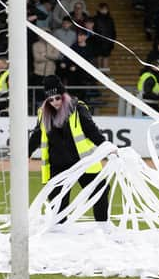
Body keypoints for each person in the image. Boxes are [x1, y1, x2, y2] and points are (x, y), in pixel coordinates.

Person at [28, 75, 109, 222]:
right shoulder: (43, 113)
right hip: (58, 166)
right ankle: (60, 235)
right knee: (58, 205)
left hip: (83, 163)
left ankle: (103, 228)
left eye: (57, 98)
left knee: (100, 191)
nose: (54, 102)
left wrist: (106, 147)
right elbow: (37, 135)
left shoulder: (78, 108)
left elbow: (92, 130)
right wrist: (26, 153)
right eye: (50, 100)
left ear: (64, 95)